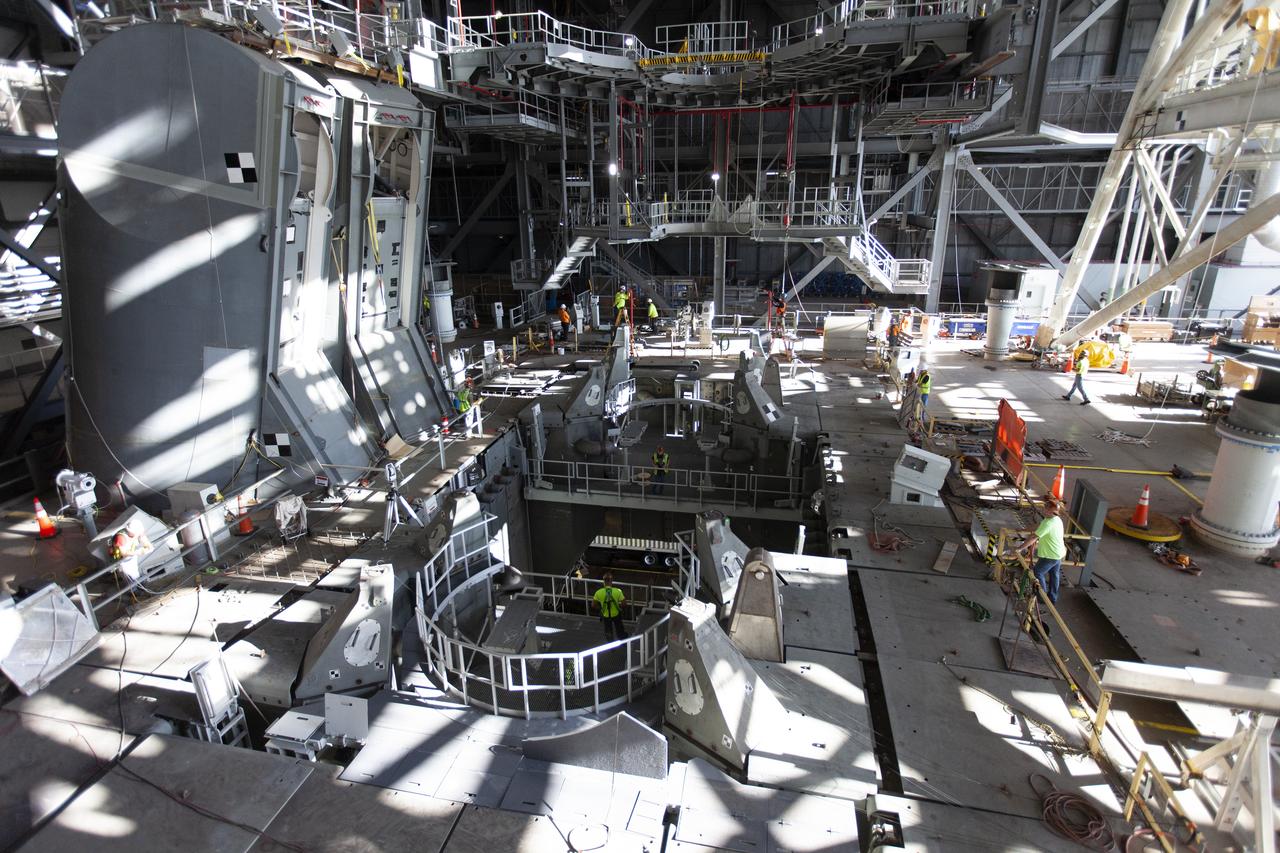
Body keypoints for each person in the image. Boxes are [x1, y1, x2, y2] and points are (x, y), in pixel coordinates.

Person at [1019, 497, 1067, 609]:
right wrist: (1024, 529)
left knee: (1038, 572)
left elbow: (1034, 537)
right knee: (1054, 575)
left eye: (1044, 509)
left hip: (1050, 555)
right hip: (1058, 553)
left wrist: (1020, 548)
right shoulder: (1056, 519)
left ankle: (1042, 596)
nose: (1042, 510)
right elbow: (1038, 526)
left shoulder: (1048, 523)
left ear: (1050, 510)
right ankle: (1053, 598)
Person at [592, 572, 626, 641]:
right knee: (619, 628)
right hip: (616, 614)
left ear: (603, 581)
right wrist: (620, 608)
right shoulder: (618, 591)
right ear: (611, 581)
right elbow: (624, 603)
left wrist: (601, 609)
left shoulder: (598, 592)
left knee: (608, 630)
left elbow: (593, 605)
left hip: (606, 615)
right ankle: (622, 640)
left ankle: (611, 644)